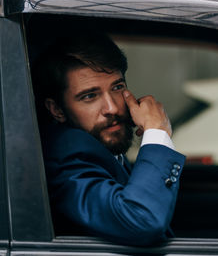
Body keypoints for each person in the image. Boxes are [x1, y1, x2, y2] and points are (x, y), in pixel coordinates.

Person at [32, 32, 185, 246]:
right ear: (57, 109)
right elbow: (142, 219)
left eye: (117, 87)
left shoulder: (100, 146)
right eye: (89, 96)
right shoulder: (65, 154)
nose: (112, 108)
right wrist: (157, 132)